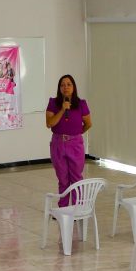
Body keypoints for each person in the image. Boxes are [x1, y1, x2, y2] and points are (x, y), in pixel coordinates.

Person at [45, 75, 92, 207]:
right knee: (63, 179)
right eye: (62, 85)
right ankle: (63, 209)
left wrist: (76, 134)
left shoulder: (81, 103)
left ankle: (78, 208)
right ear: (59, 88)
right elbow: (50, 123)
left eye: (69, 84)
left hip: (75, 144)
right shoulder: (53, 103)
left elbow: (88, 123)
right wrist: (62, 109)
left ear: (74, 87)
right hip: (58, 144)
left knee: (76, 178)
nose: (65, 87)